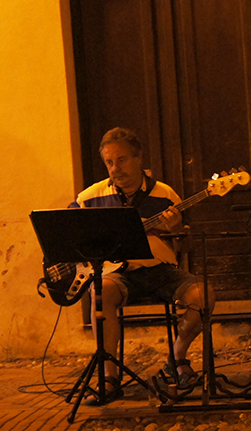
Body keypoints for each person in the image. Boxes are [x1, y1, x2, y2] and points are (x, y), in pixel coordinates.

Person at [70, 127, 214, 399]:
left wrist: (177, 230)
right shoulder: (89, 198)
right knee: (101, 292)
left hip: (162, 271)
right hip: (117, 274)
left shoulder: (165, 195)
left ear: (138, 159)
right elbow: (69, 234)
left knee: (204, 295)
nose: (115, 168)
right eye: (109, 162)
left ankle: (177, 358)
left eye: (122, 160)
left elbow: (185, 248)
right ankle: (109, 378)